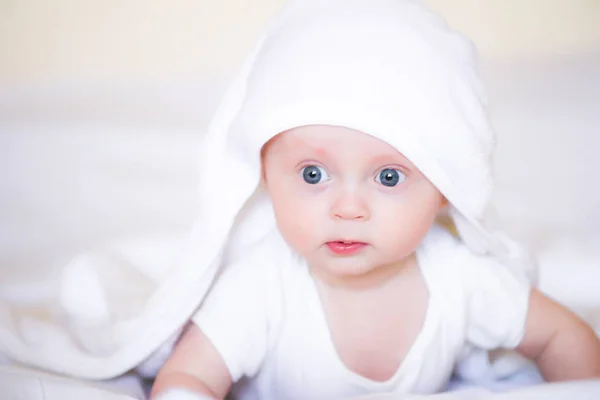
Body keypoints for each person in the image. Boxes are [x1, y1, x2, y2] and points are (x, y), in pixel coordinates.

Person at [151, 0, 600, 398]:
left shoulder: (460, 276)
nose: (349, 209)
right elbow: (189, 376)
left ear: (446, 187)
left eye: (388, 177)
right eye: (313, 174)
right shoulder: (264, 285)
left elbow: (561, 336)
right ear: (265, 175)